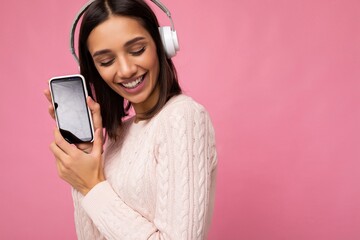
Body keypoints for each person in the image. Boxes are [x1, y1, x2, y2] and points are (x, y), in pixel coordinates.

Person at [44, 0, 217, 239]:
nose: (125, 70)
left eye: (137, 50)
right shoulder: (117, 138)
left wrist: (92, 187)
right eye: (106, 61)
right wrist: (86, 156)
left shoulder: (183, 118)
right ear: (95, 70)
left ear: (162, 44)